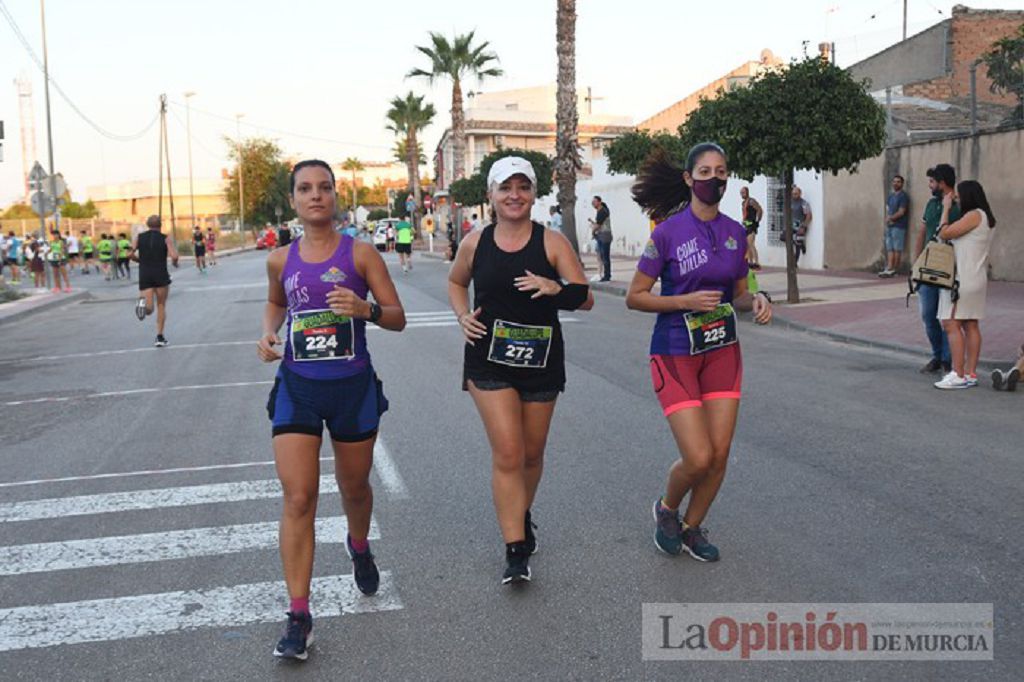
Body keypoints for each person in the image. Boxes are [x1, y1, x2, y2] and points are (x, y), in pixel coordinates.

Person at [256, 159, 405, 661]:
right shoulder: (279, 260)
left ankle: (358, 545)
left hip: (351, 388)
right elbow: (277, 304)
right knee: (298, 497)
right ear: (293, 200)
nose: (315, 195)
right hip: (299, 385)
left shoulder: (361, 255)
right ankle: (299, 615)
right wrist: (268, 331)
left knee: (355, 487)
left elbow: (398, 317)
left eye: (324, 187)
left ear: (336, 196)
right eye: (305, 188)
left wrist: (367, 311)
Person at [448, 156, 593, 585]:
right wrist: (461, 317)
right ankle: (515, 549)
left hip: (540, 362)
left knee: (532, 454)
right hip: (488, 359)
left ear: (533, 193)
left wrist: (556, 288)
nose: (515, 195)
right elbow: (456, 281)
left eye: (523, 187)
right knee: (509, 451)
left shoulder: (552, 242)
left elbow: (585, 297)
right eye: (505, 188)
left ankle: (521, 513)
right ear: (491, 195)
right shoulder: (475, 242)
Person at [625, 143, 772, 562]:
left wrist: (758, 300)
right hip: (673, 351)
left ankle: (692, 527)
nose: (714, 179)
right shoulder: (666, 233)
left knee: (720, 454)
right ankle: (667, 509)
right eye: (704, 172)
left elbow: (741, 294)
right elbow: (635, 297)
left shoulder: (734, 232)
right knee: (699, 455)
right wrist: (682, 302)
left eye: (721, 171)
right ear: (689, 179)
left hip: (722, 351)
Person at [934, 181, 997, 390]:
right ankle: (970, 373)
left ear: (969, 195)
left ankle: (958, 374)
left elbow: (944, 233)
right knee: (971, 324)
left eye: (958, 195)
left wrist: (945, 208)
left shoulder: (974, 215)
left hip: (963, 279)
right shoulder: (985, 217)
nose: (956, 198)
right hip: (976, 278)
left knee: (950, 323)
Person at [914, 164, 958, 374]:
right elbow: (922, 232)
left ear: (942, 183)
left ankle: (948, 360)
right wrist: (917, 261)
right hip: (928, 268)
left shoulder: (959, 206)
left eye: (932, 182)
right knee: (928, 314)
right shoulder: (931, 205)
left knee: (947, 317)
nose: (930, 185)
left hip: (950, 269)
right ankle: (937, 356)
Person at [131, 216, 179, 347]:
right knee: (161, 305)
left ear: (147, 225)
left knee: (149, 308)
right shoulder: (165, 238)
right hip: (160, 274)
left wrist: (140, 261)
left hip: (145, 274)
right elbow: (174, 256)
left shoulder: (139, 237)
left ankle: (142, 305)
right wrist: (175, 262)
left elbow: (129, 254)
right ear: (160, 225)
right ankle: (159, 337)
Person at [880, 174, 909, 277]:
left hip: (899, 226)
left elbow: (901, 212)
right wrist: (888, 219)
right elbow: (888, 210)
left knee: (897, 248)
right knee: (889, 248)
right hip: (890, 226)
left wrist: (891, 218)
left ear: (902, 184)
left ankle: (895, 269)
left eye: (898, 182)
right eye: (894, 181)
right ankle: (889, 267)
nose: (895, 183)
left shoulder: (903, 196)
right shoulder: (891, 196)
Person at [589, 196, 613, 281]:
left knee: (605, 256)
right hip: (602, 235)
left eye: (594, 201)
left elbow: (598, 225)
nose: (593, 203)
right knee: (602, 256)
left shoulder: (602, 211)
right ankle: (606, 274)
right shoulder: (601, 211)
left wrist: (592, 231)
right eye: (592, 202)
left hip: (604, 236)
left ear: (599, 202)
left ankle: (607, 275)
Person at [739, 187, 762, 270]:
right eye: (741, 193)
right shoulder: (743, 203)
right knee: (747, 245)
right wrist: (743, 222)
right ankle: (750, 262)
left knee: (751, 244)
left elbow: (759, 210)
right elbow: (745, 214)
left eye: (743, 192)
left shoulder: (752, 201)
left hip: (752, 225)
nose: (742, 194)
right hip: (746, 225)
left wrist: (757, 221)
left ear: (747, 192)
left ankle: (756, 262)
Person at [790, 186, 811, 266]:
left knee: (797, 244)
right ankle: (802, 243)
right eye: (793, 194)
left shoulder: (804, 203)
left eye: (796, 194)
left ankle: (794, 263)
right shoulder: (790, 202)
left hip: (800, 226)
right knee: (784, 238)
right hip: (791, 226)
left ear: (800, 194)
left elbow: (808, 215)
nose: (794, 195)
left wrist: (803, 226)